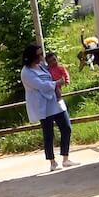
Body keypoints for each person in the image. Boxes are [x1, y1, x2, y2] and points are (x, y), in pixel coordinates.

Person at [21, 43, 74, 171]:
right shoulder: (26, 72)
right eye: (39, 55)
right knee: (49, 134)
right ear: (32, 56)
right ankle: (52, 162)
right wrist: (57, 83)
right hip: (43, 105)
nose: (41, 57)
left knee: (66, 128)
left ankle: (65, 158)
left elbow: (53, 72)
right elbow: (41, 85)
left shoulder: (42, 66)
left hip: (55, 100)